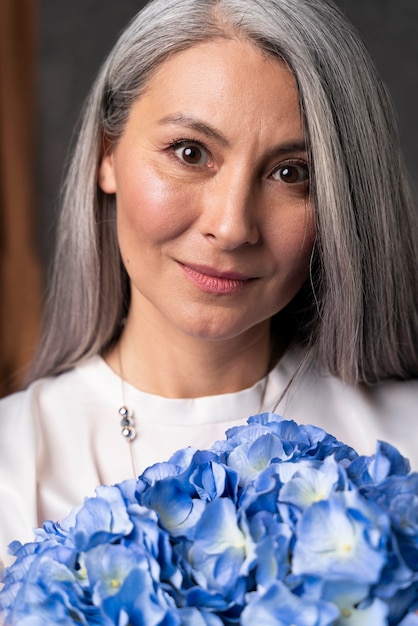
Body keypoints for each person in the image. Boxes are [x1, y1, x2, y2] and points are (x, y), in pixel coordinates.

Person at [1, 0, 417, 568]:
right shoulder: (11, 462)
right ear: (107, 156)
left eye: (291, 173)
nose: (231, 226)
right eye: (190, 153)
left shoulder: (408, 445)